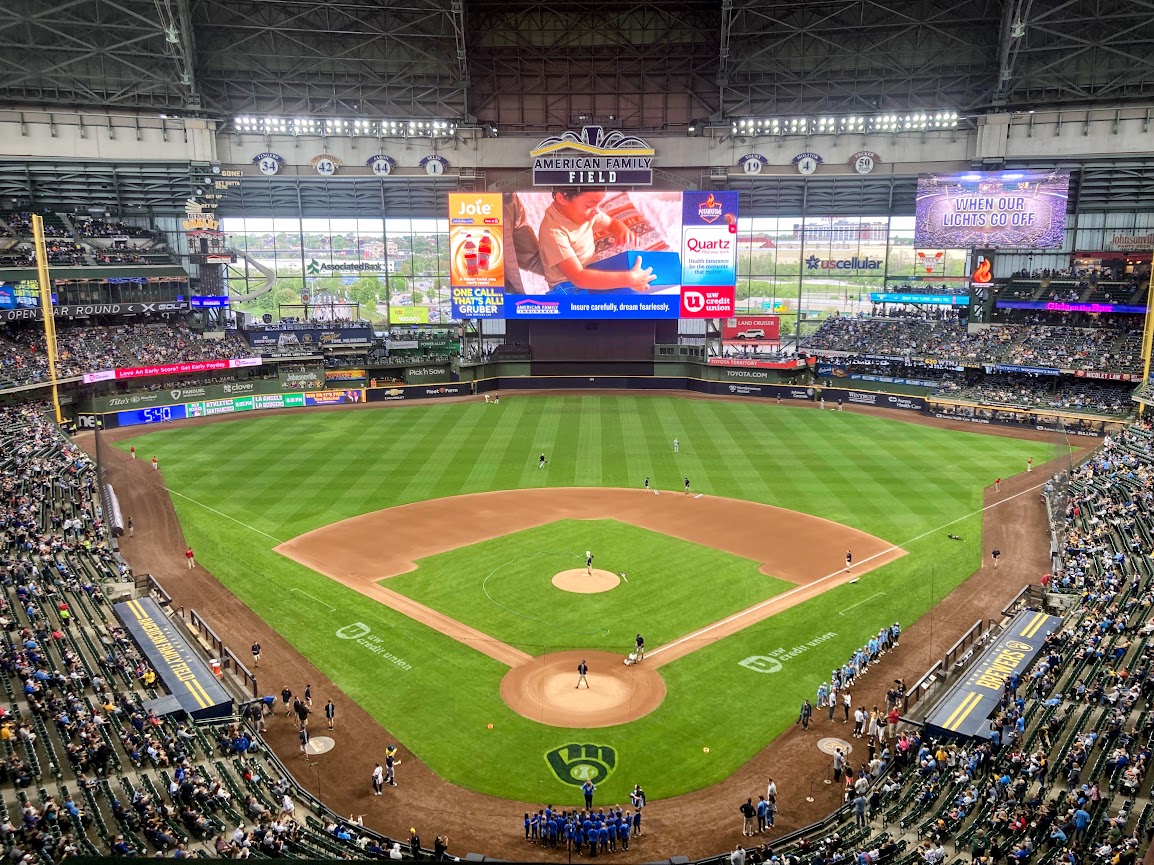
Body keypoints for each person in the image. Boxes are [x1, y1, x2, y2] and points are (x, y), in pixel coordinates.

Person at [537, 188, 655, 294]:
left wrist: (620, 230)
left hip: (587, 275)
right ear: (562, 198)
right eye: (589, 206)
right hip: (567, 289)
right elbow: (579, 278)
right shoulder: (553, 232)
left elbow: (611, 223)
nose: (596, 211)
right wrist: (630, 279)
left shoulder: (589, 214)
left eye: (598, 204)